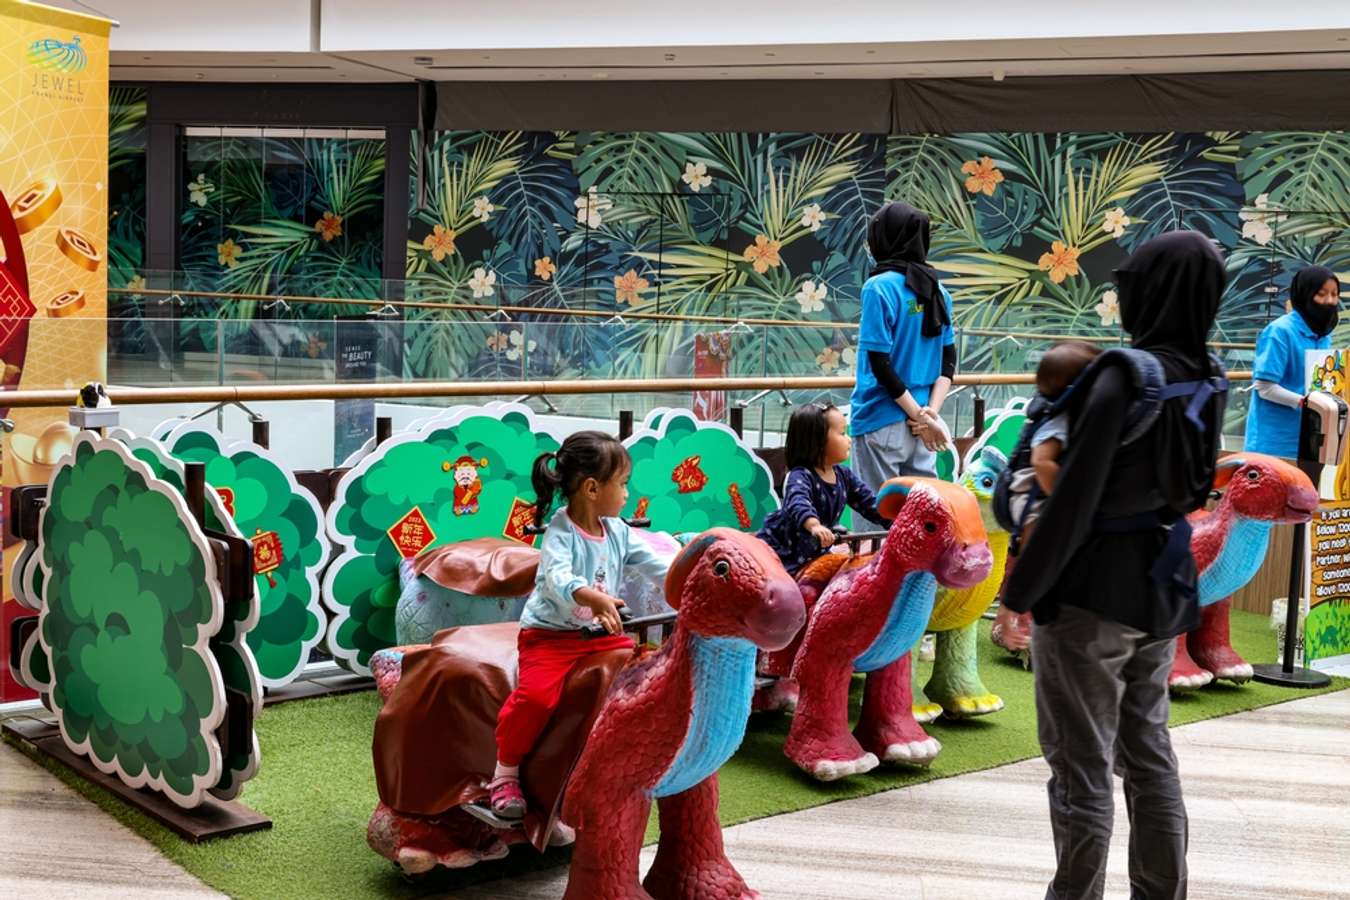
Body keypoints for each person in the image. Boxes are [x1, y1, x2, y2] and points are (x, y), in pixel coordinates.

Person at [1002, 231, 1228, 900]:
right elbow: (1193, 491)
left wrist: (1023, 590)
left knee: (1081, 768)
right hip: (1161, 588)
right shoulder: (1207, 374)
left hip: (1090, 595)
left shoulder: (1122, 375)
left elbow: (1074, 498)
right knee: (1149, 756)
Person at [489, 431, 673, 819]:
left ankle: (620, 759)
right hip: (550, 638)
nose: (627, 493)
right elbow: (558, 578)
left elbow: (659, 567)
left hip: (600, 638)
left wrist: (687, 580)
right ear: (592, 488)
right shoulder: (561, 531)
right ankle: (505, 773)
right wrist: (592, 597)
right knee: (536, 698)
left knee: (643, 674)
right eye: (622, 484)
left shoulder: (618, 530)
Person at [850, 201, 956, 529]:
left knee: (878, 524)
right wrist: (929, 414)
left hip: (881, 417)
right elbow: (948, 360)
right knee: (923, 523)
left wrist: (919, 415)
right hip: (922, 426)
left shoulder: (878, 288)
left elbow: (880, 364)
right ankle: (920, 582)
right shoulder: (938, 290)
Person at [992, 341, 1102, 654]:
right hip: (1030, 494)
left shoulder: (1072, 414)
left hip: (1043, 491)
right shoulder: (1057, 419)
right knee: (1032, 549)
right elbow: (1041, 461)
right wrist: (1066, 499)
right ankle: (1008, 616)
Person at [757, 402, 890, 575]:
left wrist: (896, 520)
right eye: (842, 433)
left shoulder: (844, 475)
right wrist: (814, 526)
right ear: (817, 441)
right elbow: (799, 502)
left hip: (815, 549)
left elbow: (869, 503)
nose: (848, 439)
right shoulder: (800, 476)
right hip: (786, 550)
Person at [1245, 264, 1341, 482]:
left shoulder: (1324, 334)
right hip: (1275, 441)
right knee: (1268, 507)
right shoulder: (1280, 332)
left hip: (1312, 439)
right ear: (1305, 294)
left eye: (1334, 295)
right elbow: (1265, 388)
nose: (1329, 301)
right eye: (1321, 294)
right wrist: (1304, 402)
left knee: (1303, 508)